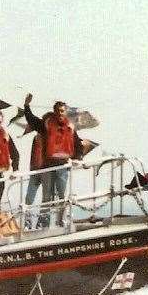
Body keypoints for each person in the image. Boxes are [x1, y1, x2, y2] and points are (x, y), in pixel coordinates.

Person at [23, 94, 85, 225]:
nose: (60, 113)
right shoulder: (46, 125)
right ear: (54, 112)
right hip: (47, 167)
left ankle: (61, 222)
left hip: (63, 167)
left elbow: (79, 144)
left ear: (66, 112)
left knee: (62, 195)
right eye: (57, 111)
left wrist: (79, 158)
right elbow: (32, 120)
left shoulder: (70, 127)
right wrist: (26, 106)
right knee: (47, 197)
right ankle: (43, 224)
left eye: (62, 111)